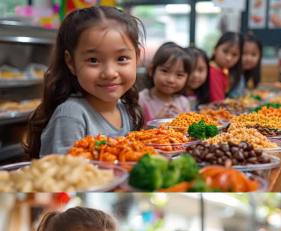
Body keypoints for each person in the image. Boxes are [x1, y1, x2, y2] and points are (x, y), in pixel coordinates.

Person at [26, 6, 144, 158]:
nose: (109, 73)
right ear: (71, 63)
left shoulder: (126, 109)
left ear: (137, 57)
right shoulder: (71, 116)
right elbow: (61, 175)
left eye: (121, 59)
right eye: (93, 60)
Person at [138, 42, 193, 122]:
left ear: (187, 78)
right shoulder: (142, 100)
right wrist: (155, 122)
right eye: (165, 71)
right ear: (151, 70)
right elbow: (135, 131)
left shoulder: (183, 103)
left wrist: (183, 119)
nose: (171, 80)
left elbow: (189, 131)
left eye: (179, 75)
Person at [209, 32, 243, 102]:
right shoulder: (213, 71)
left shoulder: (224, 71)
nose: (228, 58)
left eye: (234, 55)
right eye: (225, 51)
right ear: (215, 49)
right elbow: (218, 102)